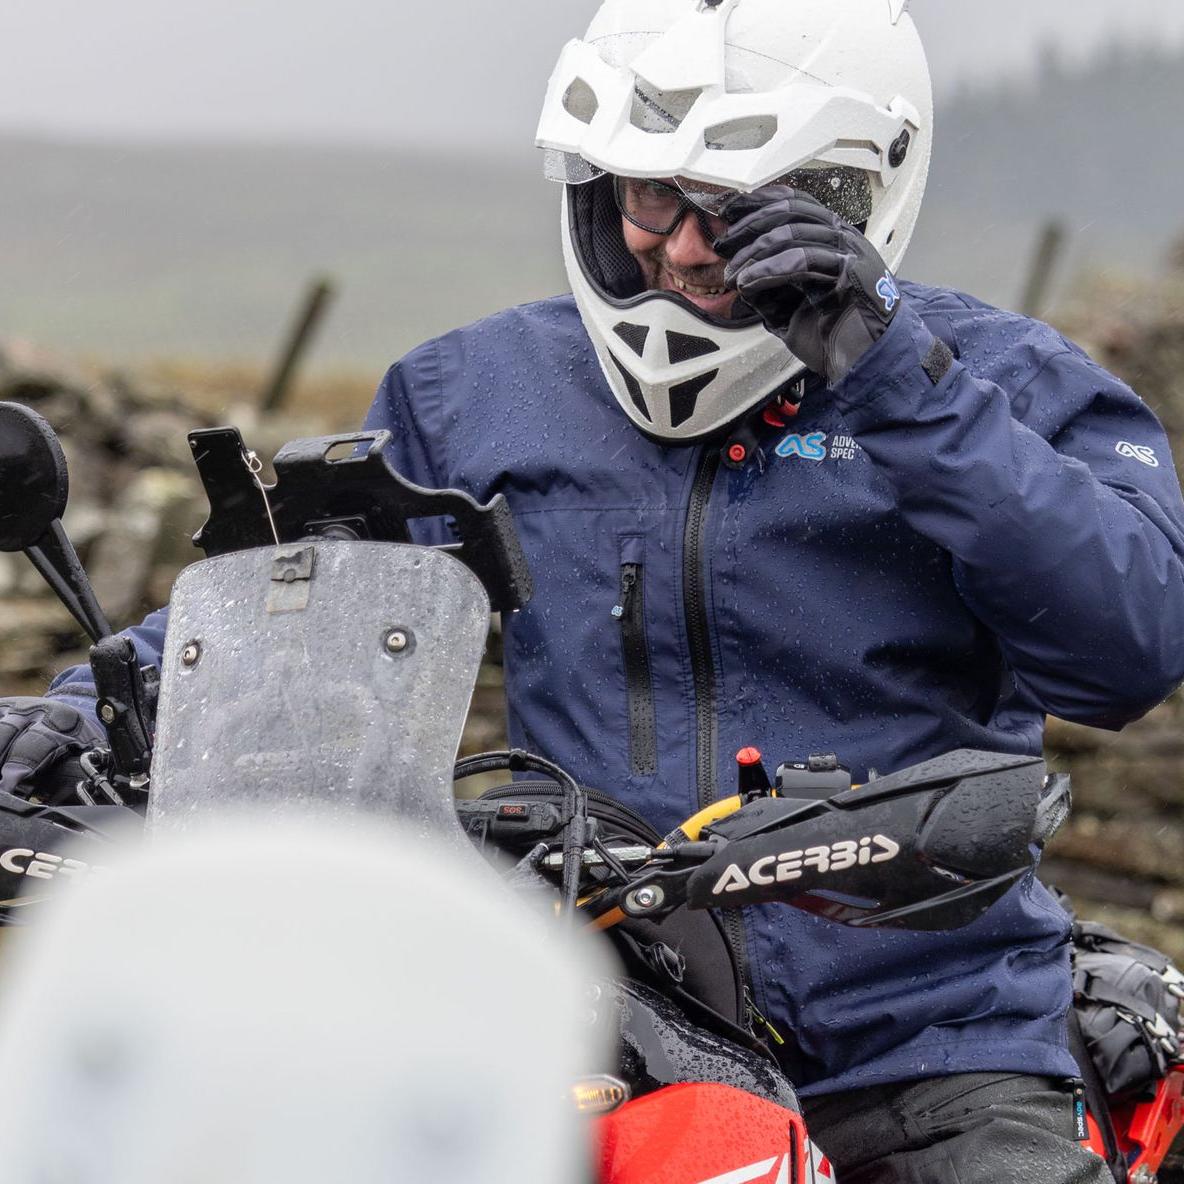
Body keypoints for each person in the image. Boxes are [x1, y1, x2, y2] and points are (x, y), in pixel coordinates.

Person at [5, 0, 1184, 1179]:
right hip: (605, 1024)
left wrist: (890, 379)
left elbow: (1126, 645)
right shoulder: (473, 391)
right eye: (645, 196)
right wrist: (85, 709)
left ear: (847, 196)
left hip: (932, 1043)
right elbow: (303, 595)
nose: (676, 247)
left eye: (732, 212)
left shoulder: (1004, 382)